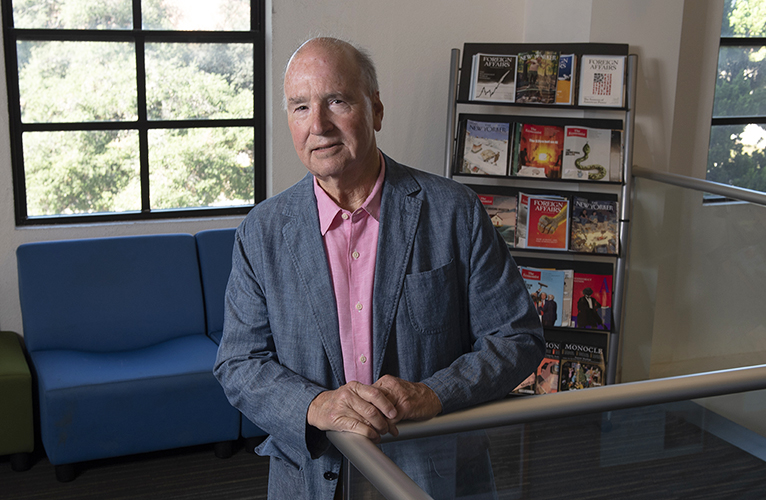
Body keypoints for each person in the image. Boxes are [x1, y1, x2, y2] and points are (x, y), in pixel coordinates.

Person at [213, 37, 545, 500]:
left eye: (337, 101)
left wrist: (434, 393)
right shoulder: (262, 232)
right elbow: (238, 363)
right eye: (300, 107)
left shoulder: (454, 212)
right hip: (311, 474)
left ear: (377, 111)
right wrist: (316, 404)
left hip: (434, 471)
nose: (319, 125)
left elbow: (517, 338)